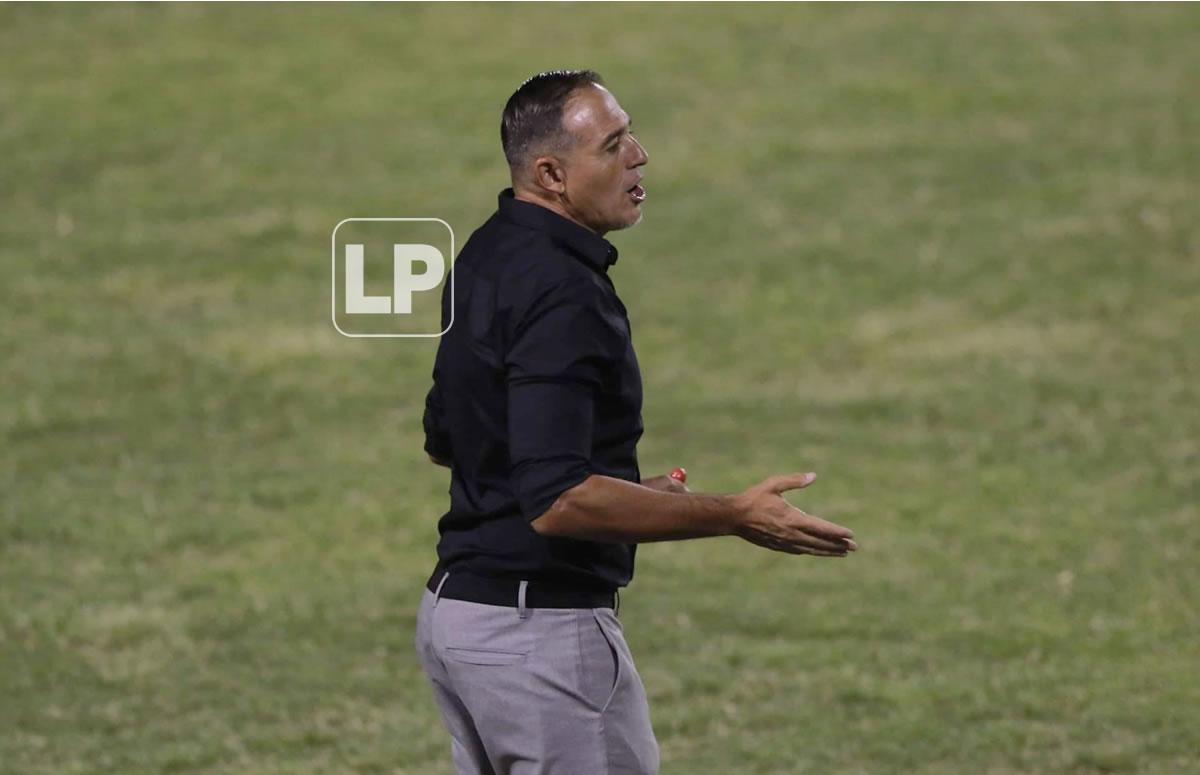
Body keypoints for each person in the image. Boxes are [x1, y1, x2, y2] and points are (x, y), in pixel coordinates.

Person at [414, 69, 858, 775]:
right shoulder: (563, 294)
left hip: (460, 623)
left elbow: (453, 438)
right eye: (615, 144)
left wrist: (624, 487)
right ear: (552, 173)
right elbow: (558, 501)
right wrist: (735, 513)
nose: (641, 155)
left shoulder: (487, 252)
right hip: (542, 644)